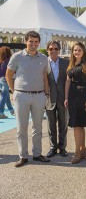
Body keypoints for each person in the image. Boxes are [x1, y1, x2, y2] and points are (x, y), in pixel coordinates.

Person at [6, 31, 50, 167]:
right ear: (26, 41)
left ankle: (37, 154)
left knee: (38, 127)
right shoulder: (17, 57)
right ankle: (23, 156)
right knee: (21, 128)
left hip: (39, 95)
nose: (33, 44)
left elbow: (45, 77)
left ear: (39, 43)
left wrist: (47, 95)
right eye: (31, 41)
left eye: (36, 41)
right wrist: (15, 92)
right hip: (21, 96)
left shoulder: (43, 58)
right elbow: (8, 76)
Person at [64, 42, 86, 164]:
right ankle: (83, 149)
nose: (77, 52)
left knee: (77, 125)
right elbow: (68, 82)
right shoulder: (71, 64)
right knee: (78, 124)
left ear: (83, 51)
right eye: (75, 50)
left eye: (79, 50)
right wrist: (66, 98)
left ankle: (77, 153)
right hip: (72, 95)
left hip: (82, 95)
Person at [45, 40, 69, 158]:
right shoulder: (43, 63)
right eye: (51, 49)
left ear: (59, 50)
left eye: (56, 49)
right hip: (49, 98)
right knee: (51, 125)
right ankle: (52, 147)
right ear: (47, 50)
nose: (53, 51)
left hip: (63, 98)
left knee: (63, 124)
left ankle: (62, 147)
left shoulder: (66, 63)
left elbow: (69, 81)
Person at [0, 46, 14, 119]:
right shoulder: (9, 61)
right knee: (4, 96)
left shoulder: (1, 60)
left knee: (6, 96)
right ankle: (1, 113)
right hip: (5, 79)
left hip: (1, 79)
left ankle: (11, 110)